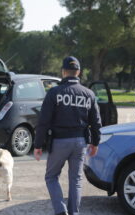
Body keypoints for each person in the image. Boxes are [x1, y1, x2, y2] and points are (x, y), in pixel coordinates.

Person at [34, 56, 102, 215]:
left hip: (59, 141)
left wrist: (37, 145)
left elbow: (43, 121)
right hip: (80, 142)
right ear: (78, 72)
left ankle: (60, 211)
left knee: (51, 177)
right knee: (76, 180)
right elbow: (96, 122)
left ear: (63, 72)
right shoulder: (89, 94)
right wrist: (95, 143)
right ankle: (73, 213)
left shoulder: (54, 92)